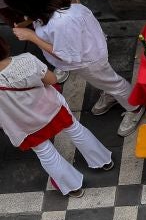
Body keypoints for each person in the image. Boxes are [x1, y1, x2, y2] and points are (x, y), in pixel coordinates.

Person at [2, 0, 146, 137]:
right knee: (103, 79)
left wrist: (31, 36)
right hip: (87, 42)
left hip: (86, 58)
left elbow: (65, 55)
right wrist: (30, 21)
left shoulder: (61, 22)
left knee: (111, 81)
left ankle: (135, 106)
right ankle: (111, 93)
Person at [0, 35, 112, 197]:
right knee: (76, 130)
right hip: (51, 109)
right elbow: (52, 79)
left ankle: (73, 187)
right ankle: (103, 161)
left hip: (23, 124)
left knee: (45, 153)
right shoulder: (26, 60)